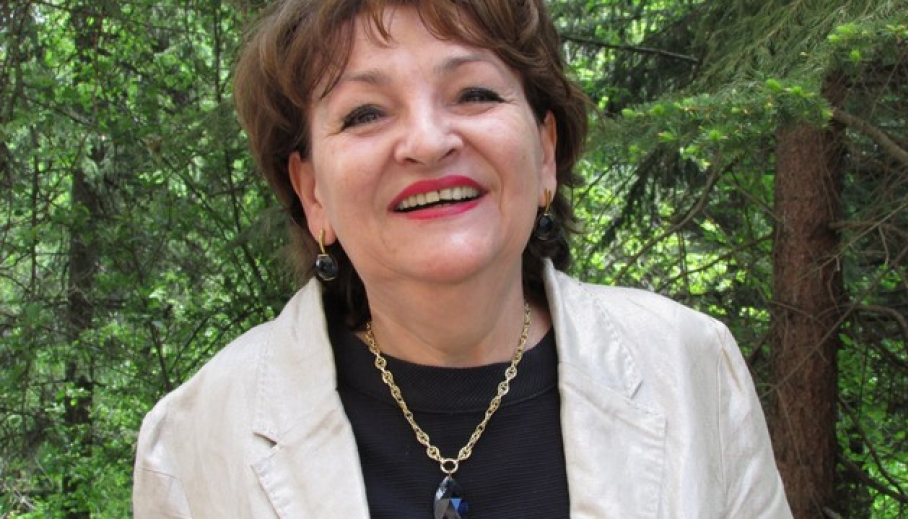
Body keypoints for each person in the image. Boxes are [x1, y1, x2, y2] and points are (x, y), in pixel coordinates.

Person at [133, 0, 794, 517]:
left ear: (544, 152)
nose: (427, 141)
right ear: (312, 193)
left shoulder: (692, 369)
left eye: (474, 93)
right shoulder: (196, 439)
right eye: (365, 113)